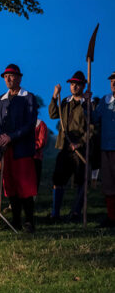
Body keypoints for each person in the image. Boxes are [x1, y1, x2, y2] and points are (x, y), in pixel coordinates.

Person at [0, 64, 38, 233]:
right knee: (9, 185)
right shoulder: (0, 100)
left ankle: (29, 221)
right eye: (6, 77)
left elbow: (30, 123)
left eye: (12, 76)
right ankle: (15, 221)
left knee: (25, 186)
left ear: (19, 78)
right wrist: (2, 138)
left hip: (22, 148)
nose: (9, 79)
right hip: (6, 149)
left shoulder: (28, 98)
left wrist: (12, 136)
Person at [48, 71, 90, 222]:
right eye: (72, 84)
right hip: (64, 148)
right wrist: (54, 96)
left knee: (81, 181)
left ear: (83, 86)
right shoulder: (65, 101)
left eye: (77, 84)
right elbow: (53, 114)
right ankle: (55, 213)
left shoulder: (87, 104)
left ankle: (76, 213)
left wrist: (80, 143)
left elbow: (91, 128)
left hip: (79, 150)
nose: (74, 86)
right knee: (58, 180)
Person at [91, 71, 115, 228]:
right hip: (106, 148)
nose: (114, 83)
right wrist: (88, 103)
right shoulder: (105, 101)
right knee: (108, 183)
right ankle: (111, 216)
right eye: (112, 80)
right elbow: (93, 118)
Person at [34, 118, 48, 194]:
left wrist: (29, 147)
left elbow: (41, 142)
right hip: (22, 158)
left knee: (34, 182)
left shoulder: (40, 124)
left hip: (35, 158)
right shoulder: (22, 122)